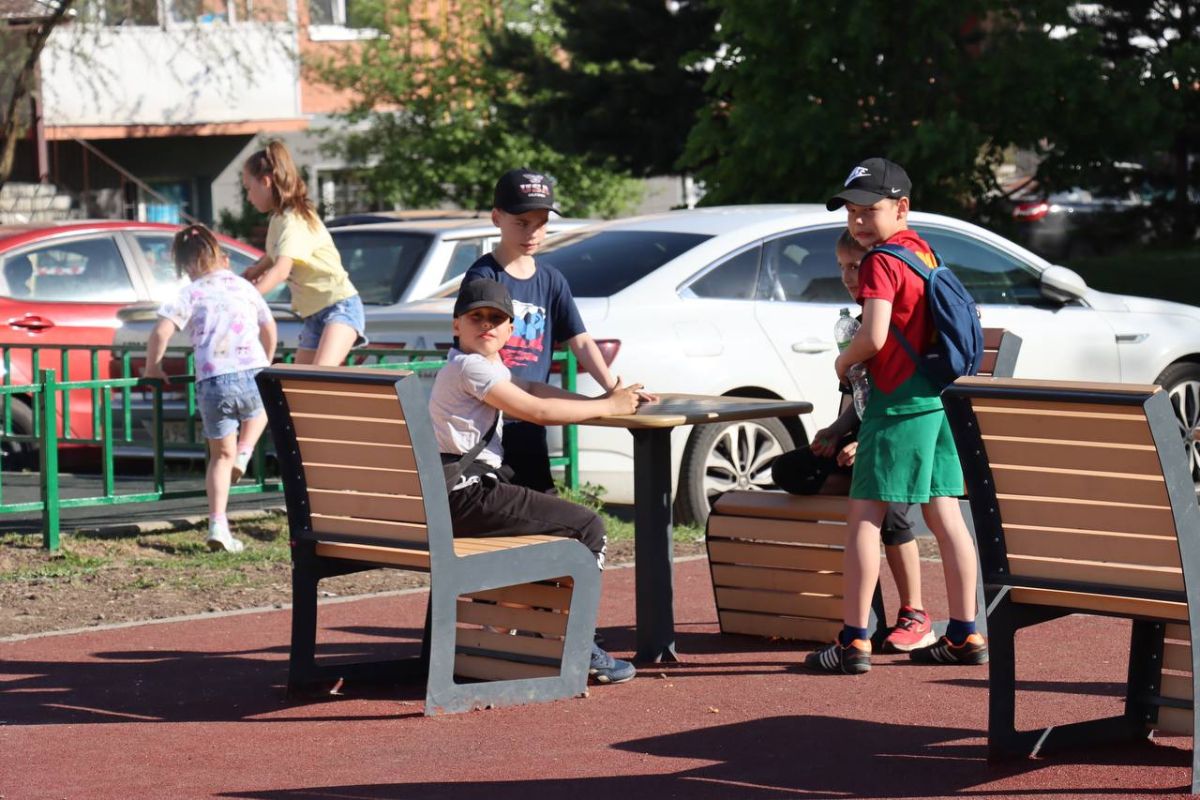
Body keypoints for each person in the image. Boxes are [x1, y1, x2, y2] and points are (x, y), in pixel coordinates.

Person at [805, 158, 987, 674]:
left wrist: (844, 360)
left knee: (864, 517)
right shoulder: (923, 251)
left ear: (901, 207)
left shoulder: (882, 261)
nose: (859, 221)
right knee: (946, 516)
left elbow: (876, 336)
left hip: (898, 404)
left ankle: (854, 641)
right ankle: (965, 632)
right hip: (937, 401)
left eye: (870, 210)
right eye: (851, 212)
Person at [429, 277, 642, 684]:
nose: (487, 325)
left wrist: (602, 404)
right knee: (587, 526)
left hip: (450, 497)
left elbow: (532, 386)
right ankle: (575, 643)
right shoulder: (471, 368)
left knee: (551, 527)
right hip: (464, 497)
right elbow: (536, 411)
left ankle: (541, 634)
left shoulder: (481, 366)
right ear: (457, 325)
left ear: (511, 330)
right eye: (477, 317)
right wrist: (607, 407)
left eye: (497, 318)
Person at [772, 230, 933, 653]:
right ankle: (854, 615)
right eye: (841, 266)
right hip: (870, 432)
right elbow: (860, 399)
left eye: (856, 266)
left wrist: (864, 444)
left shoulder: (890, 323)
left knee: (888, 510)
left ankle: (914, 611)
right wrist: (839, 430)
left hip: (900, 436)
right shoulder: (859, 321)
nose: (847, 275)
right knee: (789, 470)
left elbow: (899, 400)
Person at [461, 168, 652, 493]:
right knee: (510, 509)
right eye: (521, 222)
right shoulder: (483, 277)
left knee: (540, 501)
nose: (532, 232)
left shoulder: (550, 280)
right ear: (497, 218)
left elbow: (579, 339)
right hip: (490, 423)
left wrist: (611, 388)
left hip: (531, 422)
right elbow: (474, 348)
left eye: (540, 223)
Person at [143, 225, 278, 553]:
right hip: (251, 371)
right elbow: (268, 326)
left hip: (212, 381)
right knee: (262, 409)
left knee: (219, 455)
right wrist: (267, 360)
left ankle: (218, 523)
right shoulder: (245, 287)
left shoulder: (189, 293)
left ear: (187, 267)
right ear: (222, 256)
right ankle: (246, 452)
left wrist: (153, 368)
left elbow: (161, 332)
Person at [240, 140, 365, 366]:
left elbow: (281, 270)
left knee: (318, 378)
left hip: (340, 306)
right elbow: (274, 255)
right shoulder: (279, 218)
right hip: (314, 315)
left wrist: (245, 298)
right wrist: (255, 270)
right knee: (301, 387)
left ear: (266, 182)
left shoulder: (294, 219)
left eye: (249, 188)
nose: (248, 197)